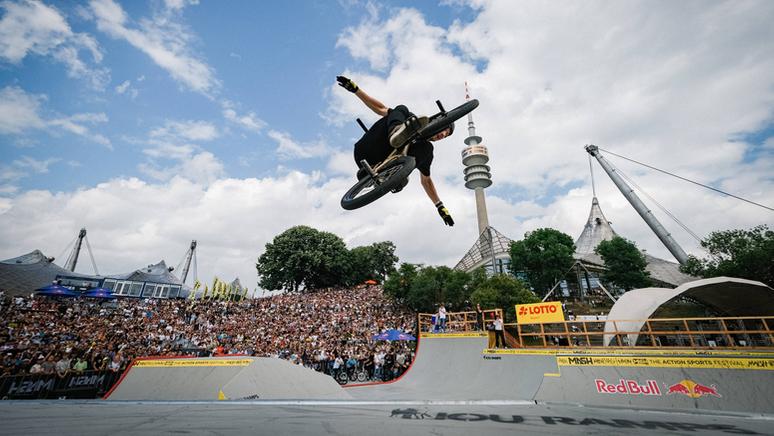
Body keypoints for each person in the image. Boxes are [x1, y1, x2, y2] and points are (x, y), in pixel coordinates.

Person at [336, 75, 455, 226]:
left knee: (426, 148)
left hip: (378, 164)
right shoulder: (410, 120)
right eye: (444, 130)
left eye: (445, 136)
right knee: (402, 109)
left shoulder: (425, 150)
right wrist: (355, 90)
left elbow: (426, 181)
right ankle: (396, 132)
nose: (442, 135)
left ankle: (388, 175)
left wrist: (440, 206)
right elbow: (380, 109)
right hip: (369, 148)